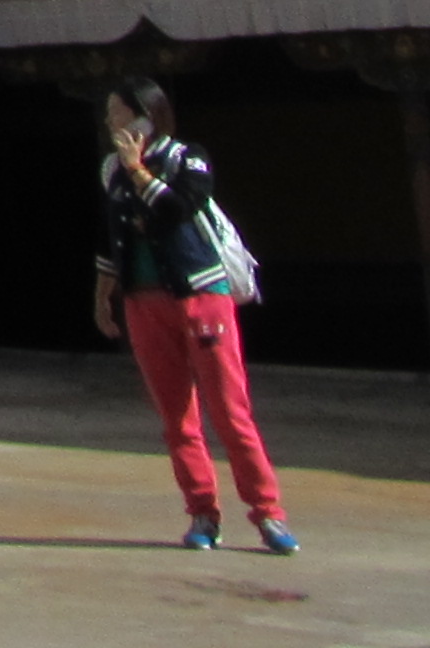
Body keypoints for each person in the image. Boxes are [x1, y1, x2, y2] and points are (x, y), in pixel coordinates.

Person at [92, 78, 296, 554]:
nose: (109, 121)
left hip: (201, 296)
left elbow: (179, 208)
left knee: (229, 411)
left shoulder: (187, 158)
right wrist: (103, 295)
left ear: (145, 116)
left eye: (117, 112)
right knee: (176, 416)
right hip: (143, 301)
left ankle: (268, 513)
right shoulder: (111, 171)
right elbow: (110, 236)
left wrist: (138, 171)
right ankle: (203, 512)